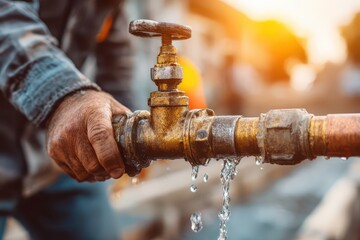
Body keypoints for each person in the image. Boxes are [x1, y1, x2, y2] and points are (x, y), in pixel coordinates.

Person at [0, 0, 133, 238]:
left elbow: (117, 55)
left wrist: (131, 132)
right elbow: (5, 18)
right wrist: (65, 95)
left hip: (55, 163)